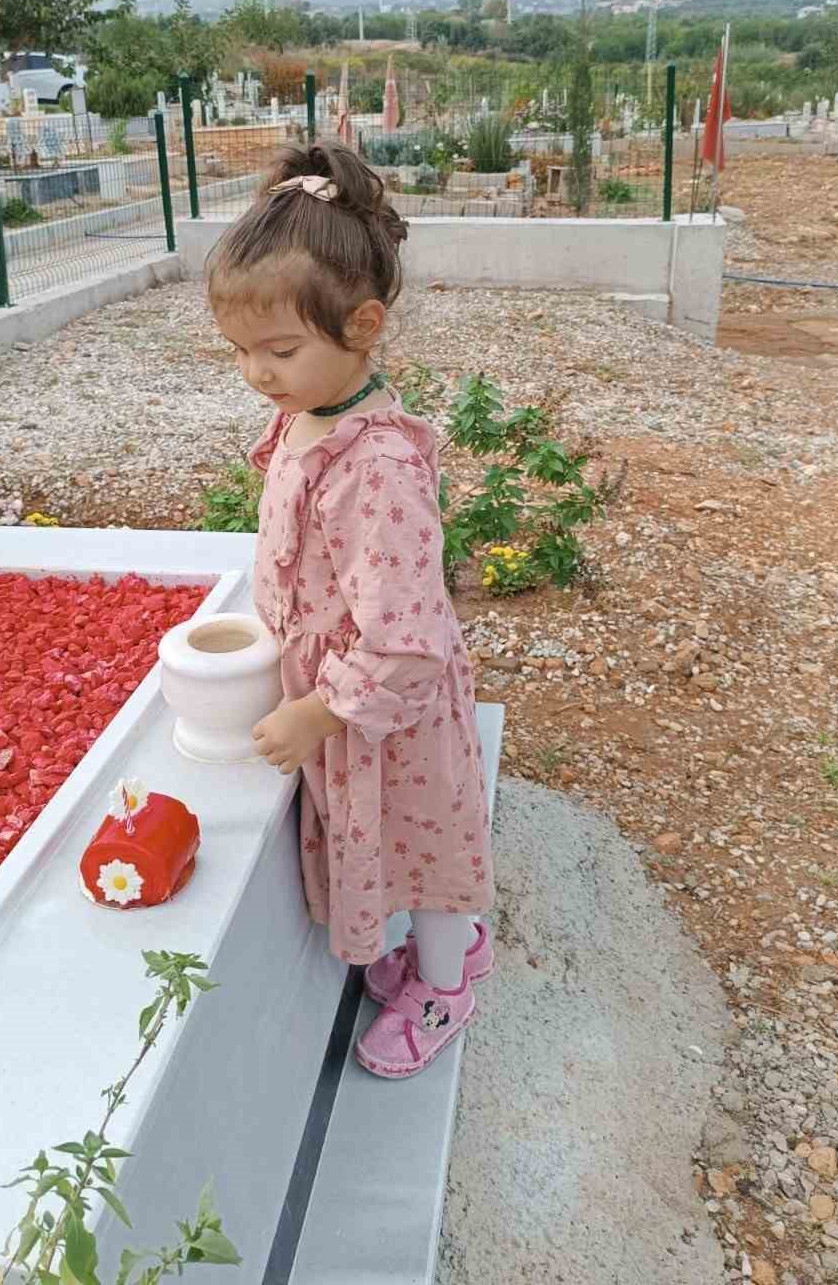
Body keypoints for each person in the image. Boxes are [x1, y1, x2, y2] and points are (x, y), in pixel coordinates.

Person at [206, 140, 495, 1079]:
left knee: (427, 845)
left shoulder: (376, 467)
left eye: (279, 350)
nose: (257, 372)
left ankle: (448, 983)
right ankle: (440, 952)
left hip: (384, 712)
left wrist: (319, 709)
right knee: (407, 837)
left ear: (363, 325)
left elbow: (405, 643)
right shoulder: (313, 416)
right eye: (242, 350)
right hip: (350, 700)